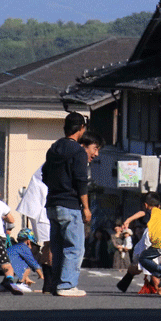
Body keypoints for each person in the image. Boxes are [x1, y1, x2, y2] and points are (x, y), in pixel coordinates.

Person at [42, 113, 98, 298]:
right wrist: (86, 208)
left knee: (57, 247)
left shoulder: (53, 149)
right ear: (81, 128)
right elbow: (81, 181)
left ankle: (56, 283)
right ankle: (67, 285)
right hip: (70, 204)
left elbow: (44, 174)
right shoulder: (78, 151)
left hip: (52, 203)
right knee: (74, 247)